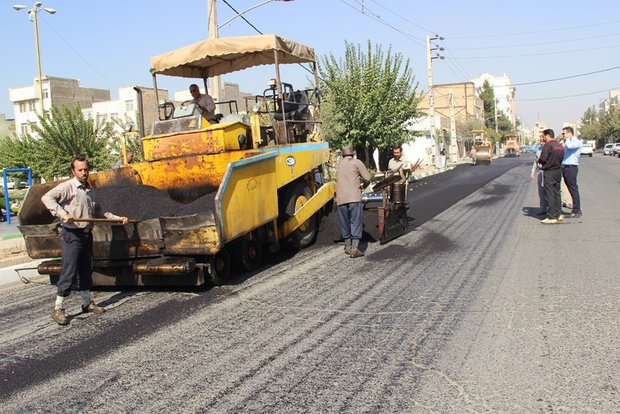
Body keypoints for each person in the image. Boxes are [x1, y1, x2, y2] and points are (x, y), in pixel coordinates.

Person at [42, 156, 128, 325]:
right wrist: (62, 214)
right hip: (71, 234)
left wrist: (118, 218)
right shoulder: (68, 187)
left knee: (86, 269)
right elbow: (47, 198)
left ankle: (87, 303)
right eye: (80, 170)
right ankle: (58, 308)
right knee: (69, 270)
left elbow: (101, 212)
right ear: (73, 171)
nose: (83, 173)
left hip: (86, 234)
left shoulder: (91, 191)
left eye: (86, 169)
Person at [336, 146, 371, 258]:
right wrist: (363, 187)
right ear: (353, 154)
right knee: (356, 221)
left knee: (344, 222)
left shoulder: (339, 165)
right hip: (354, 198)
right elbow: (368, 178)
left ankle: (348, 246)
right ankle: (355, 249)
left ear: (343, 155)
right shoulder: (356, 162)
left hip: (340, 199)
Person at [537, 129, 564, 224]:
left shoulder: (548, 146)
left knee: (550, 193)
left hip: (549, 171)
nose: (543, 138)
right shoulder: (559, 146)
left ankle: (551, 216)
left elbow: (543, 159)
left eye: (543, 136)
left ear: (547, 135)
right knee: (557, 192)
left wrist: (538, 161)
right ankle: (558, 213)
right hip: (558, 171)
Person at [561, 126, 582, 218]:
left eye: (564, 133)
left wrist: (567, 140)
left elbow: (569, 147)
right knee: (570, 188)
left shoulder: (576, 142)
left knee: (573, 189)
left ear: (569, 133)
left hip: (571, 168)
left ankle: (577, 210)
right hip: (565, 167)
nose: (563, 135)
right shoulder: (568, 142)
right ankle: (575, 209)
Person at [530, 134, 547, 216]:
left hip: (548, 171)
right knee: (541, 191)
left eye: (543, 141)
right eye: (540, 141)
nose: (541, 143)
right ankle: (543, 208)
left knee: (549, 191)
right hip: (540, 171)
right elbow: (535, 161)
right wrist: (533, 171)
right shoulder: (539, 149)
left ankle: (551, 209)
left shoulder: (549, 148)